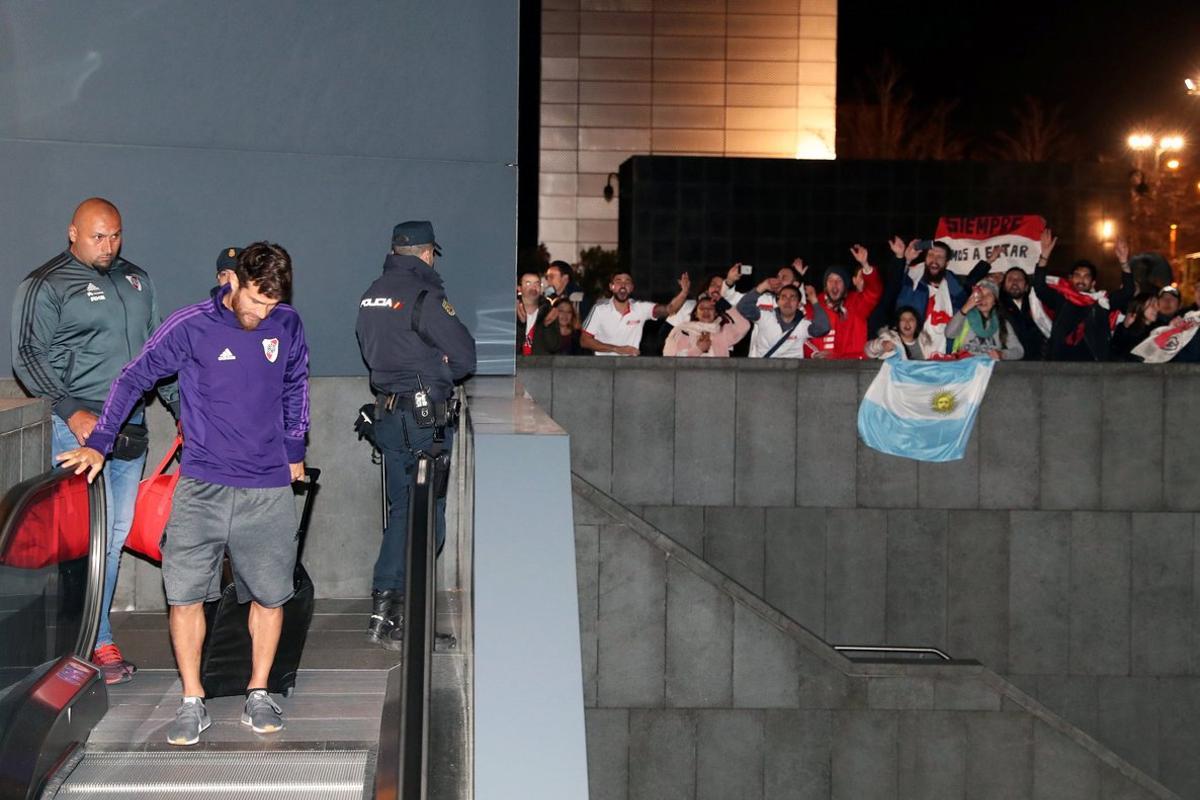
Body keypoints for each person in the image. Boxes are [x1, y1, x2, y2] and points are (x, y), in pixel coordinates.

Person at [56, 242, 310, 745]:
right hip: (202, 486)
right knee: (186, 595)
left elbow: (295, 385)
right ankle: (192, 699)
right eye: (256, 301)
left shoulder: (288, 324)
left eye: (272, 305)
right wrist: (102, 442)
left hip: (267, 488)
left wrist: (294, 447)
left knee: (270, 595)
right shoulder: (190, 324)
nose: (263, 314)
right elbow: (134, 377)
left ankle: (259, 691)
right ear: (231, 282)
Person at [10, 197, 179, 685]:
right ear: (72, 233)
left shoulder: (137, 279)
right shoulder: (45, 284)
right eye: (97, 236)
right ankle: (90, 642)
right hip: (76, 429)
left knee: (114, 539)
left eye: (115, 235)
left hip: (130, 430)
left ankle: (91, 639)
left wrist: (184, 410)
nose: (108, 245)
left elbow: (157, 351)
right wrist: (70, 408)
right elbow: (26, 355)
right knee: (84, 541)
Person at [355, 220, 476, 652]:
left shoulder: (372, 293)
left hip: (388, 415)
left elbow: (372, 352)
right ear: (427, 254)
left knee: (404, 510)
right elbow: (464, 358)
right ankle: (397, 619)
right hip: (425, 422)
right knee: (426, 519)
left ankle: (386, 613)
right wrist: (439, 366)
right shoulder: (425, 297)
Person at [1032, 228, 1133, 361]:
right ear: (1070, 279)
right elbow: (1039, 287)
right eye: (1077, 275)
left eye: (1086, 276)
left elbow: (1127, 292)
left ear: (1093, 283)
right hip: (1061, 364)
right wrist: (1044, 257)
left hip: (1094, 365)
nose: (1081, 279)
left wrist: (1124, 263)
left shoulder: (1102, 302)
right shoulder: (1061, 299)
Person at [580, 271, 689, 355]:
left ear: (632, 288)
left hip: (630, 366)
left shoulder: (640, 308)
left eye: (627, 281)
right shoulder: (599, 310)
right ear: (611, 287)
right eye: (618, 281)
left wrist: (684, 292)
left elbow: (669, 309)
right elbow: (584, 340)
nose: (623, 285)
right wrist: (617, 349)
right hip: (603, 366)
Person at [806, 245, 883, 359]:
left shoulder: (856, 303)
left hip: (852, 366)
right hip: (820, 368)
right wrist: (814, 354)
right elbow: (800, 336)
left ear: (846, 286)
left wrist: (865, 265)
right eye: (830, 280)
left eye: (839, 280)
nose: (834, 284)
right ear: (825, 285)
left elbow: (874, 292)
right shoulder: (813, 305)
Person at [737, 282, 829, 358]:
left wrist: (814, 300)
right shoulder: (765, 316)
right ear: (778, 302)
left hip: (791, 375)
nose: (787, 301)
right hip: (764, 373)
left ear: (798, 304)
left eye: (792, 297)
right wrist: (763, 286)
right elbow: (743, 307)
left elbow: (823, 328)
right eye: (783, 297)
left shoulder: (803, 325)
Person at [945, 280, 1024, 360]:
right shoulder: (964, 318)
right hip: (965, 367)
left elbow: (1019, 351)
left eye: (988, 295)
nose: (983, 298)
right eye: (980, 294)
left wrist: (1002, 354)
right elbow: (949, 334)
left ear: (994, 301)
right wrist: (966, 307)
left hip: (990, 369)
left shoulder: (1002, 323)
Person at [663, 294, 750, 357]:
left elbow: (745, 326)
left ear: (716, 313)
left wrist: (726, 306)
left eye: (710, 308)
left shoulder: (722, 332)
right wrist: (698, 349)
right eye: (701, 308)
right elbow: (671, 360)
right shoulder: (682, 331)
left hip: (719, 378)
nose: (706, 311)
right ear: (696, 314)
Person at [998, 266, 1045, 360]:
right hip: (1008, 362)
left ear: (1027, 287)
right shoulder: (997, 305)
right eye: (1010, 279)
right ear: (1003, 286)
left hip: (1036, 363)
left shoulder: (1037, 305)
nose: (1014, 282)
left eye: (1019, 279)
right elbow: (970, 284)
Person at [516, 271, 561, 355]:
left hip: (540, 366)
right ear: (519, 288)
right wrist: (520, 324)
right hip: (516, 365)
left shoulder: (548, 311)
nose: (533, 287)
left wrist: (547, 326)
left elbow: (554, 346)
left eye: (537, 284)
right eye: (528, 283)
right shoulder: (511, 311)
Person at [865, 306, 934, 360]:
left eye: (911, 319)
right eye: (903, 319)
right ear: (897, 323)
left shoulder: (925, 341)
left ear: (917, 323)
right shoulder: (890, 338)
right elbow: (868, 350)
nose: (907, 323)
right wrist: (881, 345)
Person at [1110, 291, 1159, 361]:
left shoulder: (1157, 329)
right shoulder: (1126, 328)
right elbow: (1116, 352)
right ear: (1140, 305)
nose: (1157, 309)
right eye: (1153, 305)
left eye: (1157, 305)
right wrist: (1125, 328)